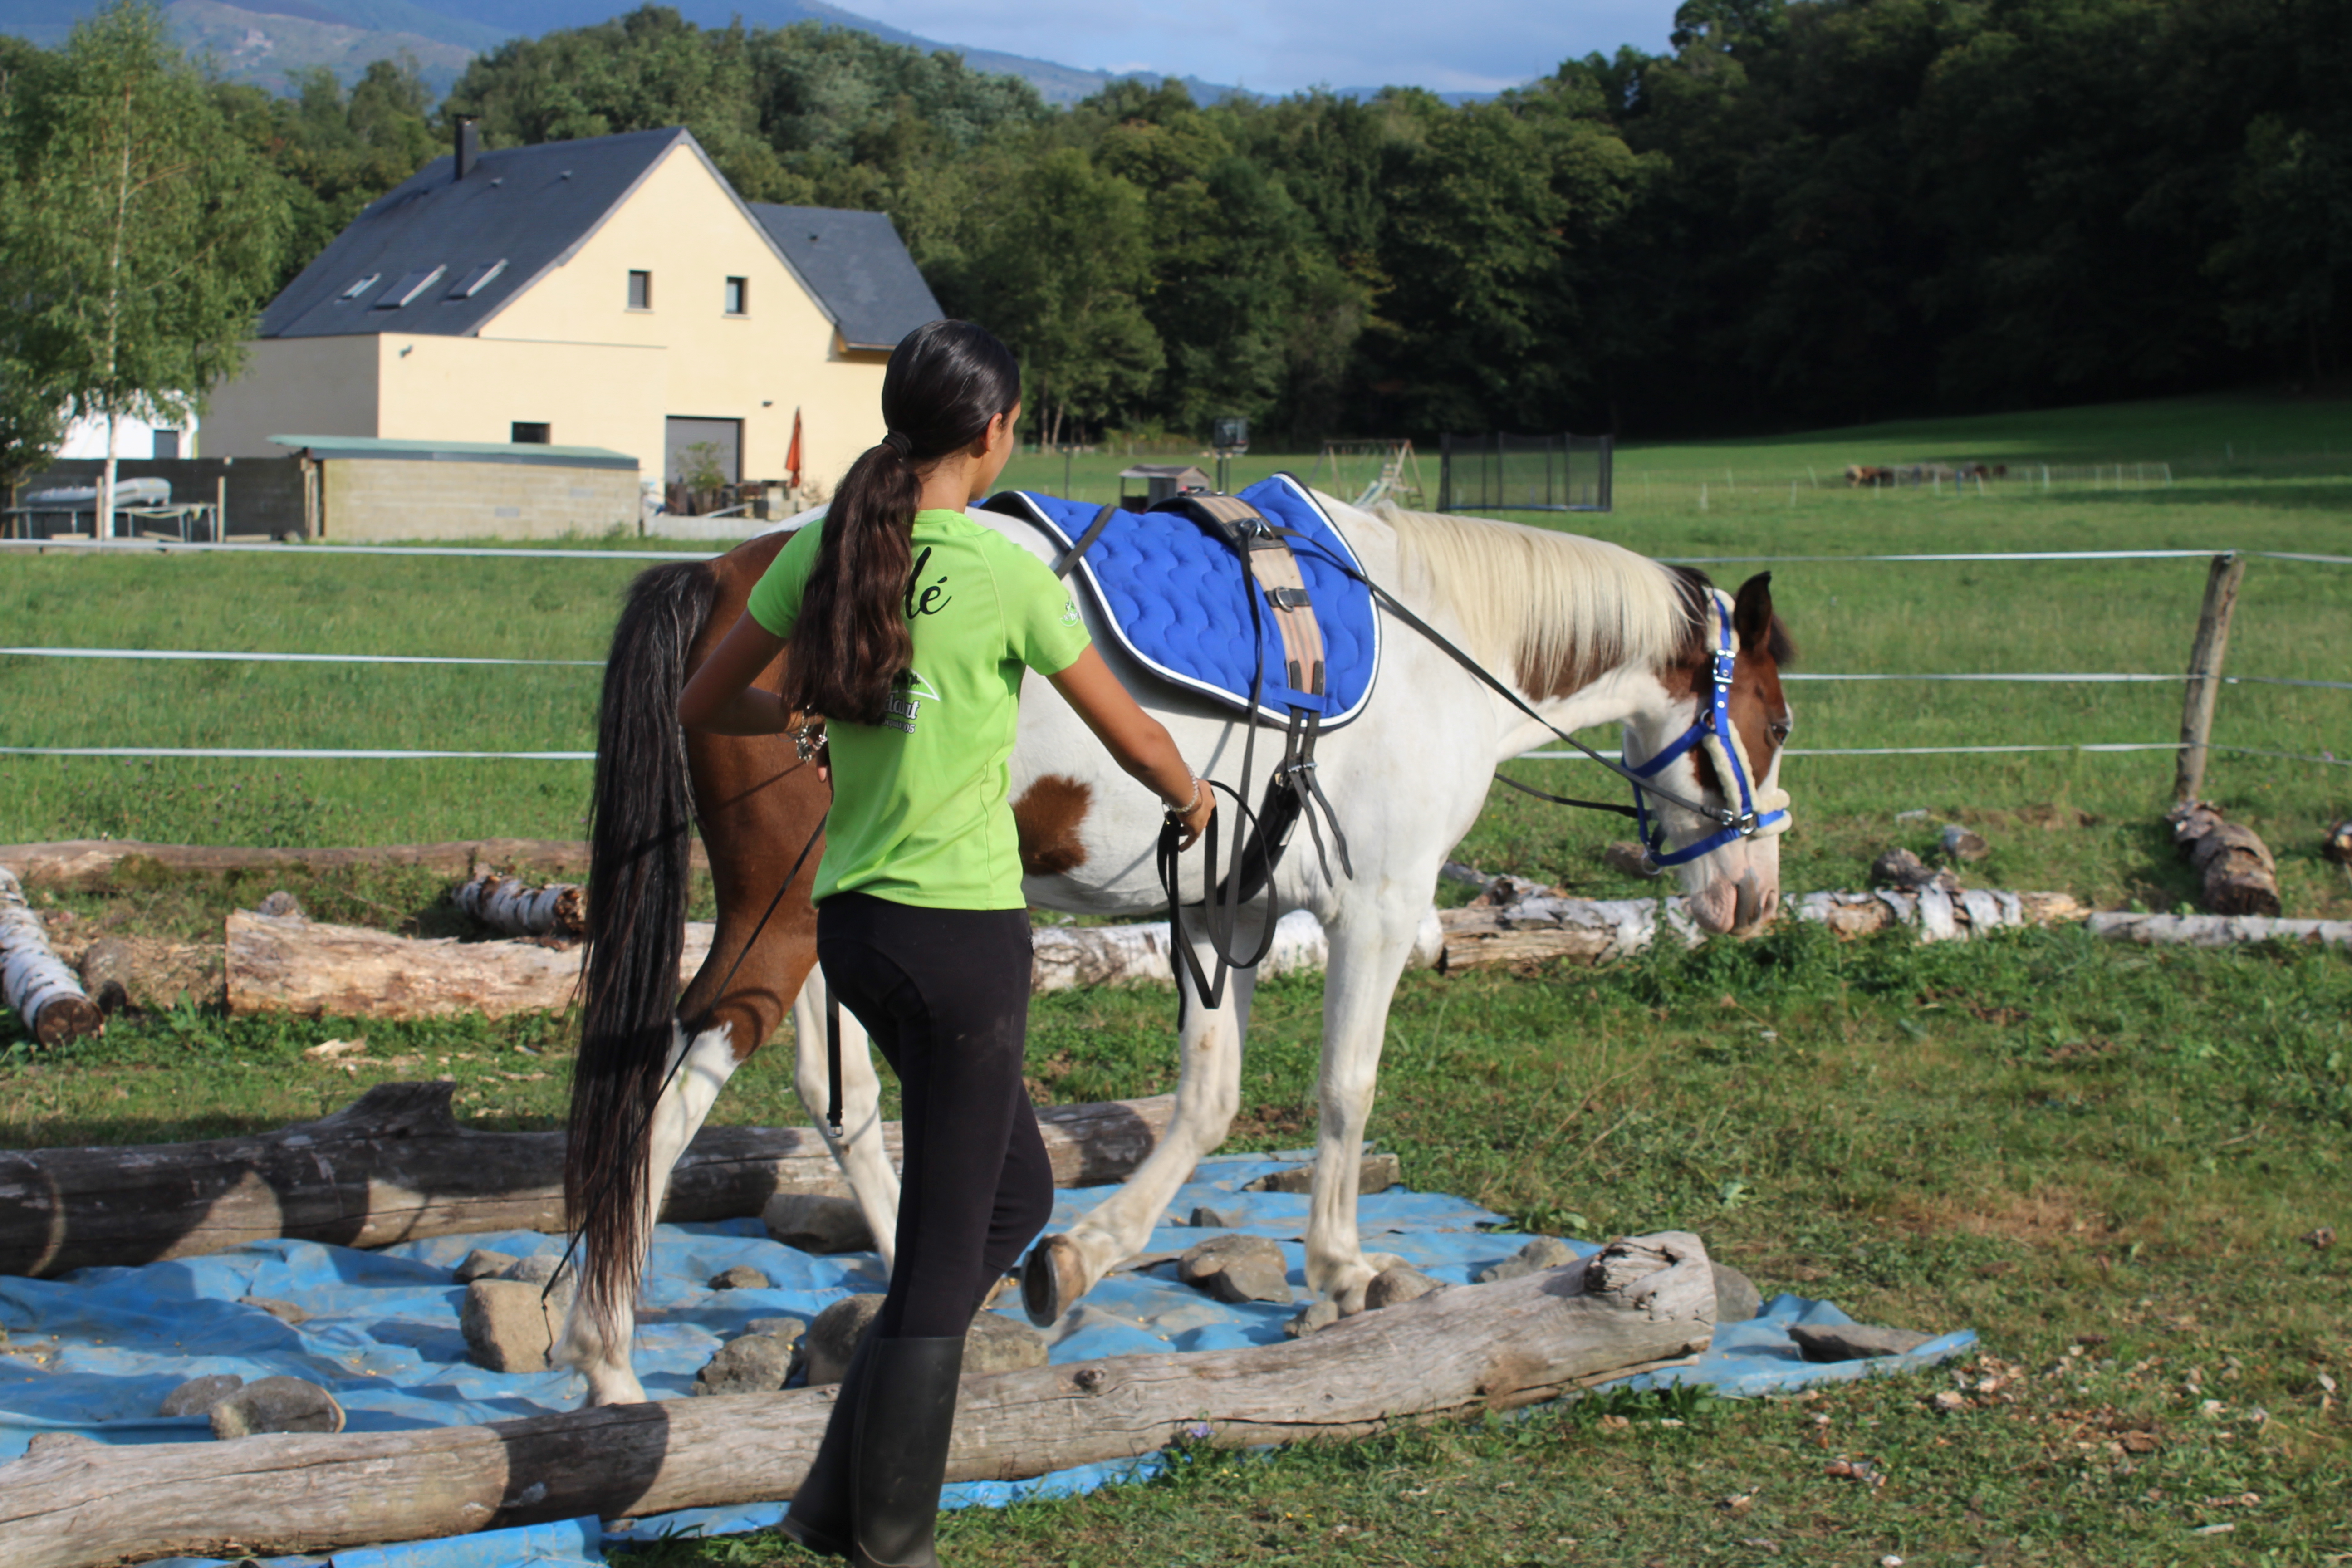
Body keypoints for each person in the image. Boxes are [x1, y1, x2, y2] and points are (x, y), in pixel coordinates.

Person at [677, 318, 1214, 1568]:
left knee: (1015, 1192)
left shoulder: (822, 549)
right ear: (994, 432)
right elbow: (1132, 738)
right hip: (963, 942)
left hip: (860, 931)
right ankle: (890, 1543)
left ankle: (828, 1502)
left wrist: (808, 706)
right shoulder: (1008, 574)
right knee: (937, 1253)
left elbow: (706, 698)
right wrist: (1193, 799)